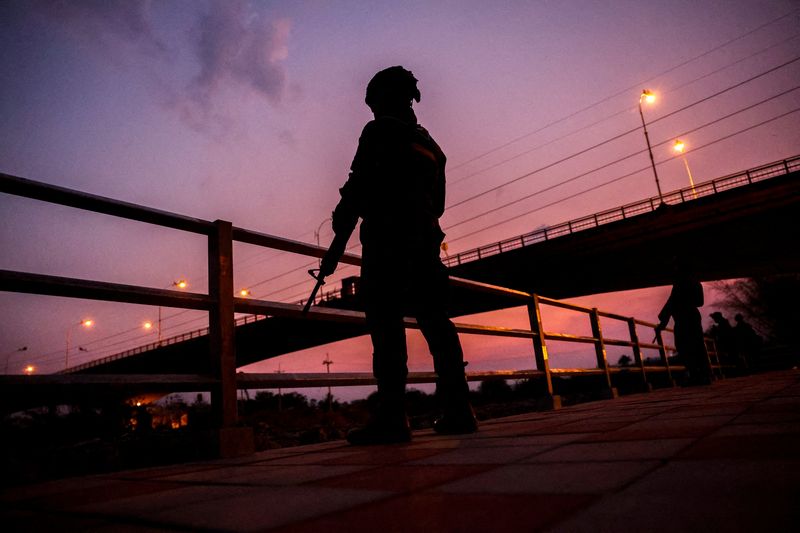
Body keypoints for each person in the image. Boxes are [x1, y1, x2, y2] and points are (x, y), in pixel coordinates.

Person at [319, 66, 477, 445]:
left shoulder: (378, 131)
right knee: (437, 323)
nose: (371, 110)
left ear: (383, 99)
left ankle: (393, 417)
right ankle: (460, 411)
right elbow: (437, 205)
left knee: (387, 327)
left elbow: (355, 193)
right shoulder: (432, 147)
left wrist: (335, 244)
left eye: (373, 102)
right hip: (425, 242)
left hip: (388, 243)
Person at [655, 258, 711, 386]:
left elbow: (671, 304)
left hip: (683, 318)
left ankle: (696, 375)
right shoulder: (696, 283)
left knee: (684, 346)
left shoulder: (679, 285)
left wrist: (663, 323)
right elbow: (700, 302)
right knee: (697, 345)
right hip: (692, 317)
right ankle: (703, 375)